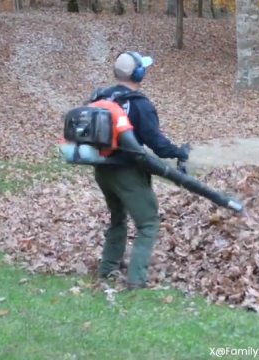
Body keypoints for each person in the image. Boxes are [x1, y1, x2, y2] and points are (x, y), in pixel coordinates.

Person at [90, 51, 191, 290]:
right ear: (138, 73)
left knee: (118, 219)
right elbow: (156, 143)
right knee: (148, 223)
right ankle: (137, 279)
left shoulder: (100, 97)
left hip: (102, 169)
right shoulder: (139, 104)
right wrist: (179, 152)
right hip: (128, 171)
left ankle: (108, 269)